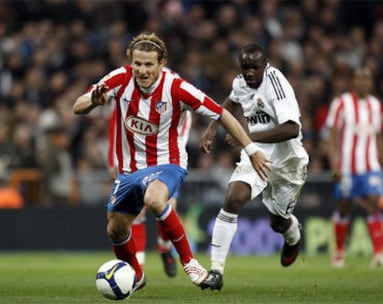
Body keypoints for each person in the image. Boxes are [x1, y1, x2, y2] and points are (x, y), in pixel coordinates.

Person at [73, 33, 271, 293]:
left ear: (161, 63)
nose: (142, 71)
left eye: (148, 65)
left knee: (155, 200)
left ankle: (190, 262)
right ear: (131, 63)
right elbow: (79, 105)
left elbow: (222, 114)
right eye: (138, 64)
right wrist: (92, 103)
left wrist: (252, 148)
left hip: (168, 162)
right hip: (129, 170)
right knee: (115, 229)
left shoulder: (177, 87)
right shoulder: (119, 79)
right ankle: (137, 274)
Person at [199, 43, 309, 290]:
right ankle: (216, 271)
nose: (249, 72)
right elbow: (231, 99)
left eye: (254, 67)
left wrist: (246, 137)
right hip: (256, 154)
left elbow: (293, 129)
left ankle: (293, 236)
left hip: (288, 162)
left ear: (265, 65)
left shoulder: (275, 83)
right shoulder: (240, 82)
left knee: (277, 222)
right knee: (233, 199)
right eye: (245, 67)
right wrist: (213, 126)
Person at [107, 104, 192, 278]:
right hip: (136, 163)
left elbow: (184, 125)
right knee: (137, 214)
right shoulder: (126, 90)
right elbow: (115, 126)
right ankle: (138, 269)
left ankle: (165, 246)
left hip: (165, 162)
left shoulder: (174, 87)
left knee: (167, 206)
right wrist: (113, 160)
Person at [325, 67, 383, 268]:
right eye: (359, 79)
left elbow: (378, 137)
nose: (363, 83)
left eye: (367, 79)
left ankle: (379, 254)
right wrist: (333, 164)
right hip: (345, 167)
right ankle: (338, 252)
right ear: (353, 81)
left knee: (373, 202)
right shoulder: (341, 103)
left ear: (371, 83)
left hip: (370, 165)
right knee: (345, 207)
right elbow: (332, 137)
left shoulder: (376, 105)